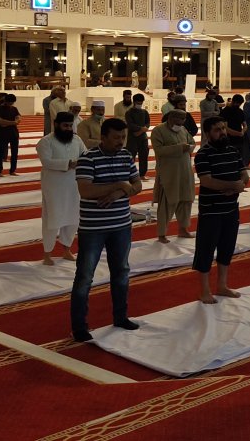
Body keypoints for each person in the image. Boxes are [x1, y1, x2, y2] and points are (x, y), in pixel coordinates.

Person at [70, 118, 142, 342]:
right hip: (94, 228)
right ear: (103, 137)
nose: (121, 142)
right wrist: (120, 185)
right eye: (116, 138)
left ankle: (120, 317)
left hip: (121, 226)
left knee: (121, 272)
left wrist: (119, 193)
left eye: (123, 137)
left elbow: (137, 185)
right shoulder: (88, 158)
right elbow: (86, 191)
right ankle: (79, 327)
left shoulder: (126, 156)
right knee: (85, 277)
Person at [193, 117, 247, 303]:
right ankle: (204, 291)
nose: (222, 132)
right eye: (217, 130)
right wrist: (233, 186)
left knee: (226, 248)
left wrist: (237, 186)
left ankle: (222, 285)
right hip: (211, 211)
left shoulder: (233, 150)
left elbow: (244, 174)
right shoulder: (203, 154)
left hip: (231, 209)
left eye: (223, 128)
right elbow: (207, 181)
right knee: (206, 250)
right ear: (208, 133)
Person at [36, 112, 86, 265]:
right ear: (56, 125)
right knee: (52, 219)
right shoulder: (45, 142)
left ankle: (66, 250)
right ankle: (47, 254)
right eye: (65, 126)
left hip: (73, 186)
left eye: (70, 126)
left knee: (73, 218)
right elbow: (46, 161)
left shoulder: (77, 140)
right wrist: (69, 164)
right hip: (54, 187)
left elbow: (85, 155)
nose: (68, 129)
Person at [151, 109, 196, 243]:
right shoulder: (158, 130)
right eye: (179, 119)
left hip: (185, 171)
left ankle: (183, 229)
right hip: (168, 173)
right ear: (171, 117)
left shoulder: (183, 129)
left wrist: (189, 147)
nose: (181, 122)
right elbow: (159, 150)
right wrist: (179, 148)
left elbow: (191, 142)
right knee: (167, 202)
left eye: (183, 119)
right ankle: (162, 234)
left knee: (186, 200)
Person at [0, 94, 21, 177]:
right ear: (6, 101)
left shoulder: (14, 109)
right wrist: (13, 122)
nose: (11, 104)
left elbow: (18, 118)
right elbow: (0, 122)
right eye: (10, 102)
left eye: (12, 102)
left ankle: (13, 170)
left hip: (14, 133)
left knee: (14, 153)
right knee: (0, 152)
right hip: (3, 133)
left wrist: (10, 122)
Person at [124, 93, 150, 179]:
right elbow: (130, 125)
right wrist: (141, 129)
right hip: (132, 138)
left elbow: (147, 123)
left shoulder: (145, 112)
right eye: (138, 103)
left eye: (141, 103)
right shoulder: (129, 113)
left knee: (144, 156)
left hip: (143, 138)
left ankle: (142, 174)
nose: (140, 104)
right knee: (131, 157)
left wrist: (141, 131)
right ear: (134, 102)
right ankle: (129, 175)